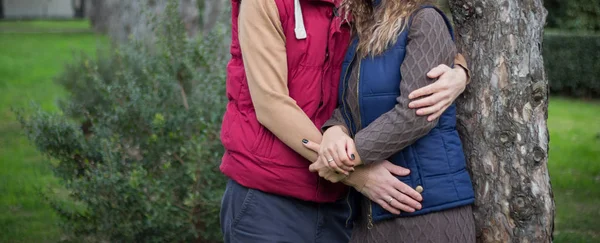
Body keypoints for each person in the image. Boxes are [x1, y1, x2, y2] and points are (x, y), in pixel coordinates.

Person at [219, 0, 471, 242]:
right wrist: (357, 175)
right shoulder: (266, 3)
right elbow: (271, 105)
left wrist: (460, 72)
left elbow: (411, 47)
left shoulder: (356, 8)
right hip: (270, 198)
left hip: (339, 204)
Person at [303, 0, 476, 242]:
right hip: (371, 213)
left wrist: (346, 159)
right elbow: (354, 105)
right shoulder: (363, 26)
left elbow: (416, 113)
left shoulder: (425, 20)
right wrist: (334, 129)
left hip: (428, 212)